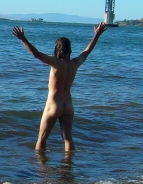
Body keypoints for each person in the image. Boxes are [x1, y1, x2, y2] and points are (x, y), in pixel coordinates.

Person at [12, 23, 107, 151]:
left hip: (54, 104)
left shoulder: (55, 62)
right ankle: (68, 163)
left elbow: (36, 54)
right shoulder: (74, 64)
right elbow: (87, 51)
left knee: (42, 139)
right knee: (68, 138)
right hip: (68, 105)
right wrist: (97, 35)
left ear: (58, 48)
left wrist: (23, 39)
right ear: (69, 49)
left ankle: (41, 163)